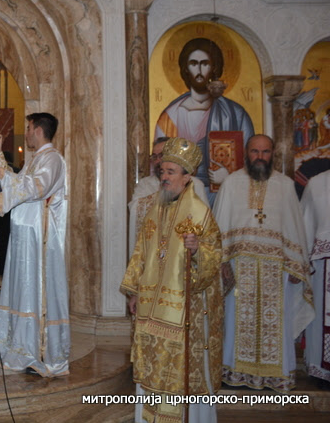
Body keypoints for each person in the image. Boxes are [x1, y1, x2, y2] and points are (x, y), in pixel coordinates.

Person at [121, 137, 223, 423]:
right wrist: (134, 292)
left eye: (170, 172)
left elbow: (214, 259)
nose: (164, 177)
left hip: (182, 312)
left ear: (187, 177)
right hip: (151, 308)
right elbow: (141, 252)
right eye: (162, 171)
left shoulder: (200, 213)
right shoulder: (155, 208)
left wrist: (196, 250)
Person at [214, 134, 313, 391]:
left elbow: (295, 228)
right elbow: (221, 225)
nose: (260, 157)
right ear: (246, 153)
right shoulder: (232, 184)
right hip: (239, 268)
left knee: (276, 322)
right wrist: (222, 263)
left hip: (276, 270)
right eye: (255, 151)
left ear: (273, 155)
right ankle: (236, 374)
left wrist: (296, 265)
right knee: (237, 321)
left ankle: (275, 376)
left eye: (265, 152)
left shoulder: (285, 186)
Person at [0, 112, 69, 376]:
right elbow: (16, 185)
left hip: (39, 240)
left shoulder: (52, 158)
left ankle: (39, 351)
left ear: (38, 130)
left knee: (36, 291)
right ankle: (19, 349)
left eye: (29, 128)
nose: (27, 133)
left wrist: (4, 173)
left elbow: (37, 187)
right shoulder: (37, 159)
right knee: (21, 289)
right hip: (25, 238)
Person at [155, 37, 254, 204]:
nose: (199, 70)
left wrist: (229, 176)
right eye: (194, 64)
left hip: (225, 195)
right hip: (182, 196)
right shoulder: (170, 115)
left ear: (214, 67)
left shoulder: (236, 113)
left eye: (205, 63)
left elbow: (251, 159)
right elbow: (159, 161)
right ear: (186, 68)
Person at [128, 137, 208, 257]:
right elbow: (135, 209)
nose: (157, 161)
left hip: (181, 251)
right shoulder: (145, 185)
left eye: (162, 155)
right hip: (153, 251)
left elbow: (205, 223)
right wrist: (166, 195)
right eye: (154, 157)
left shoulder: (195, 185)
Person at [301, 168, 330, 384]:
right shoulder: (317, 183)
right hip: (322, 267)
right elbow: (306, 226)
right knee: (321, 318)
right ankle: (320, 370)